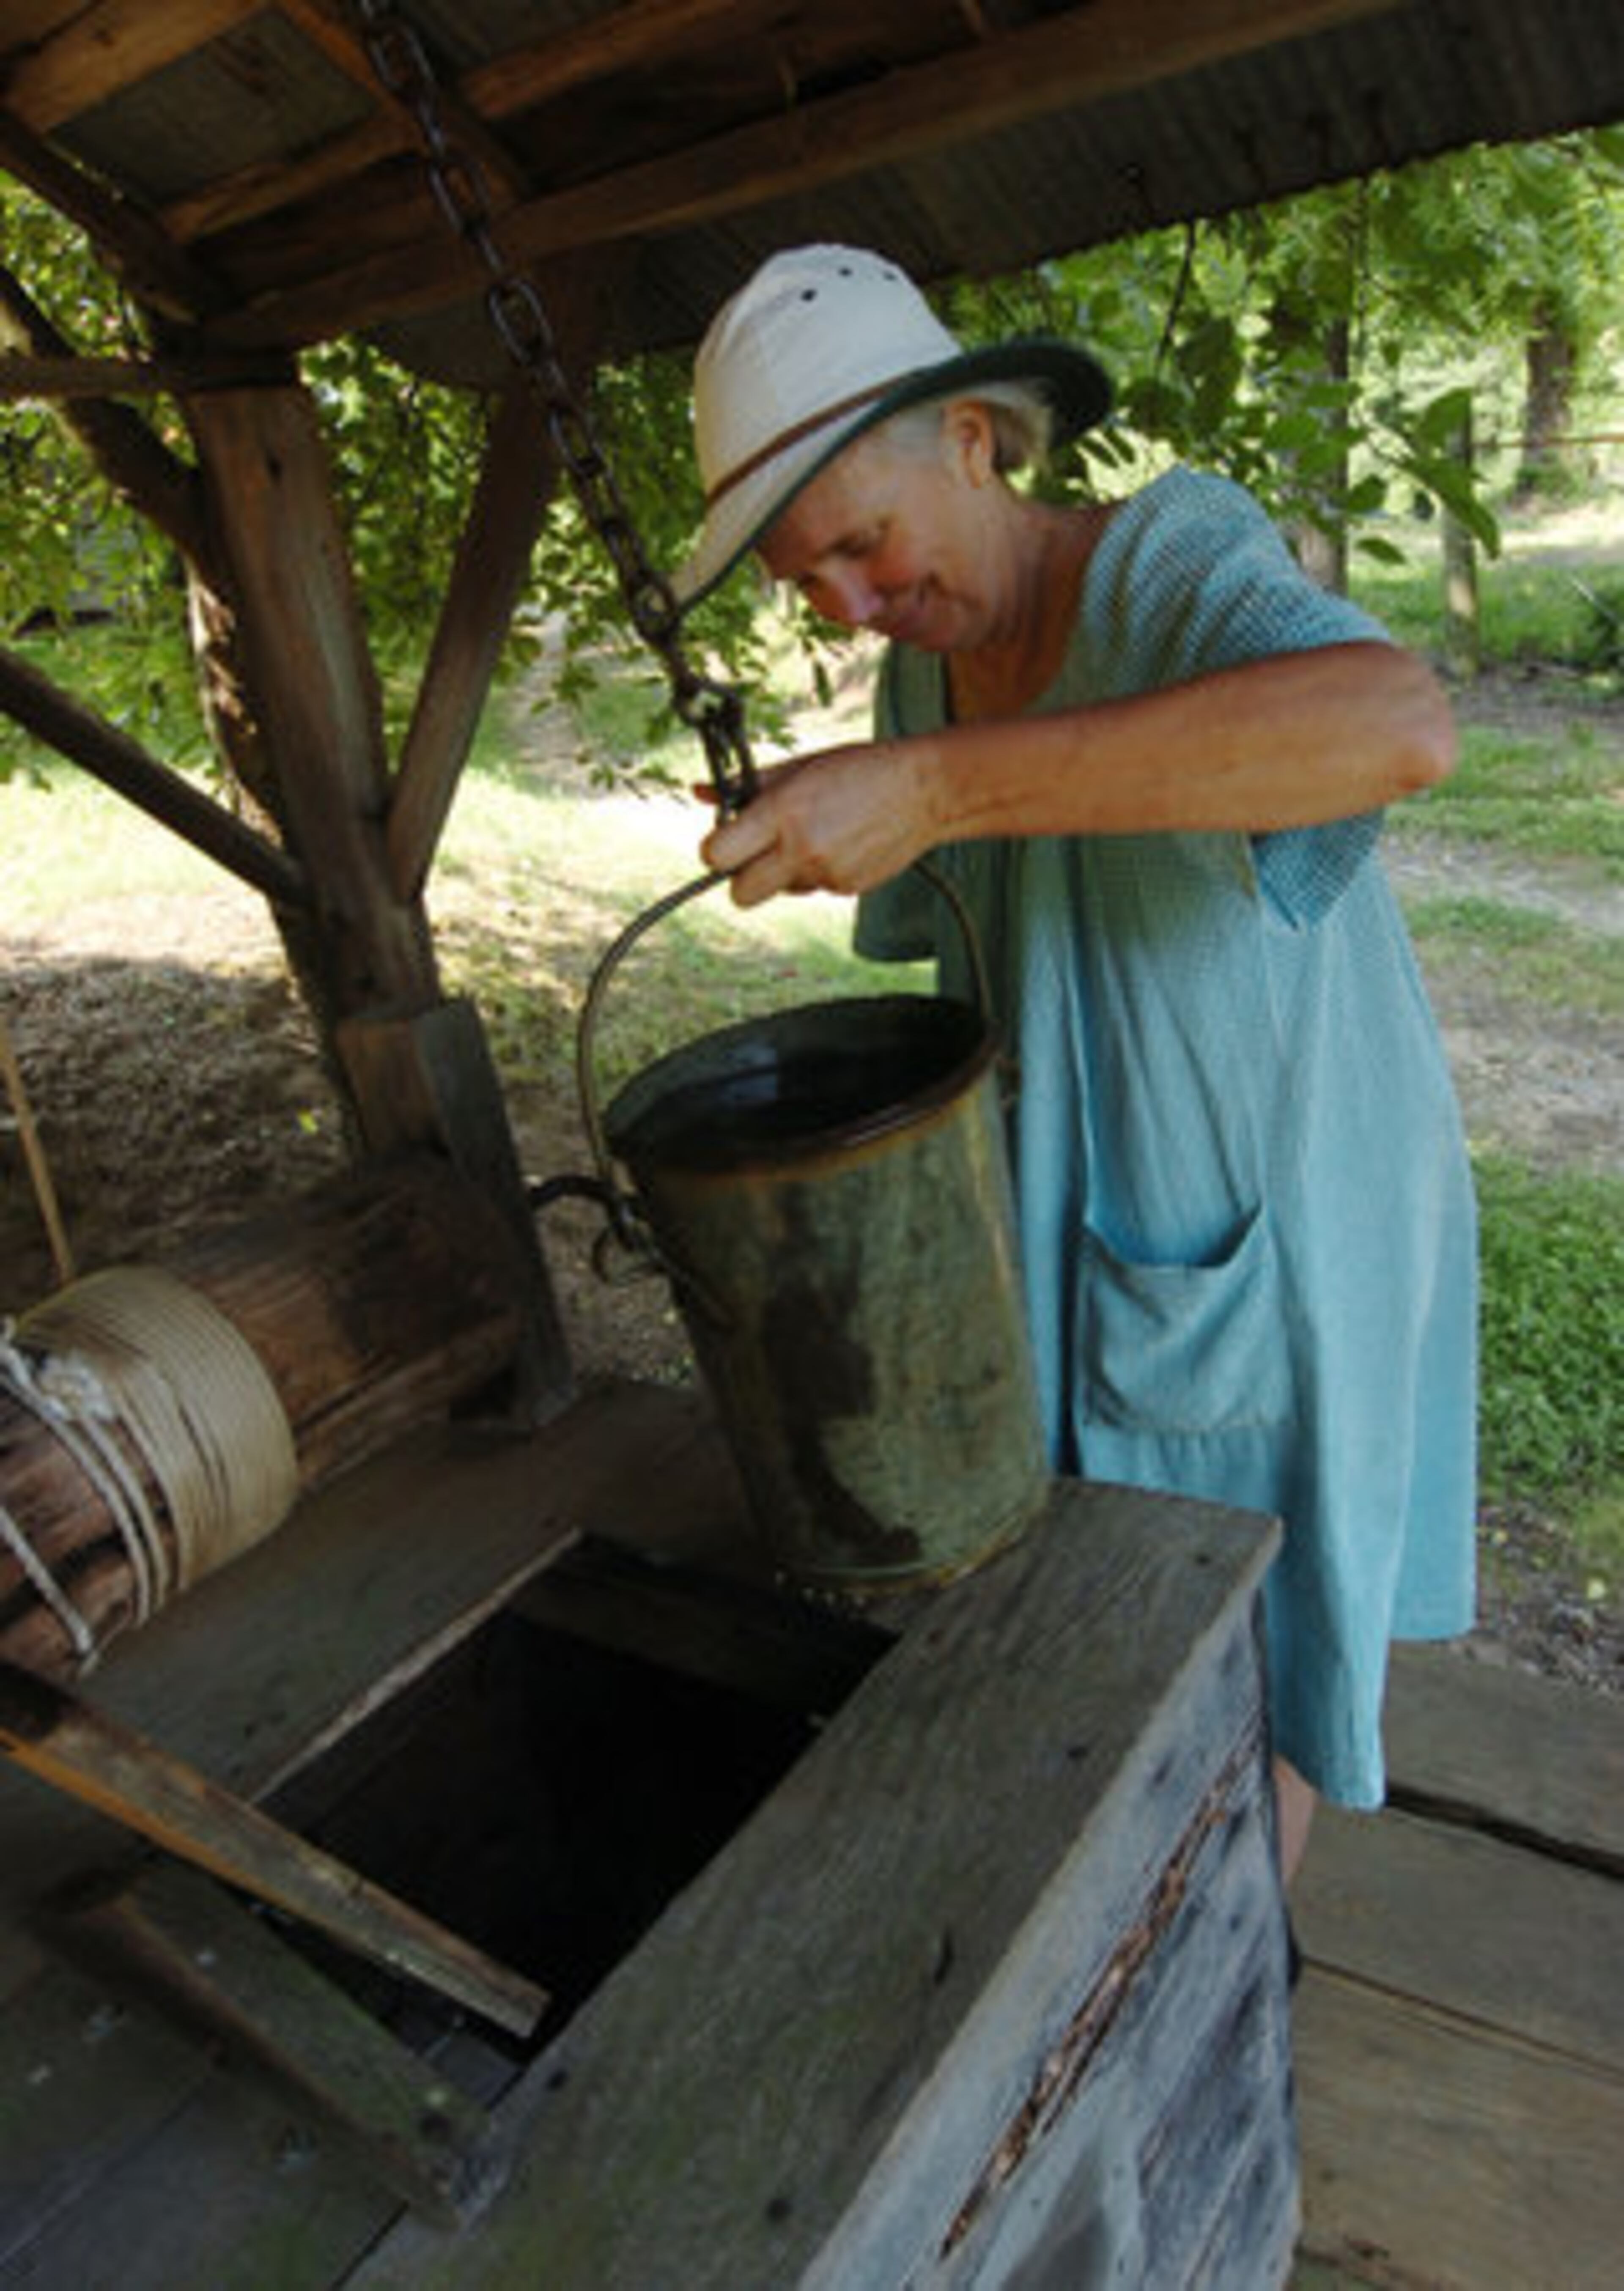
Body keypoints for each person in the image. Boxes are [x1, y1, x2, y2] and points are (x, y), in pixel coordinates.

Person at [675, 244, 1477, 1882]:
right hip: (1082, 1230)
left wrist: (939, 789)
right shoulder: (929, 664)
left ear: (973, 438)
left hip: (1276, 1227)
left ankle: (1236, 1964)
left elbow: (1397, 720)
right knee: (1099, 1647)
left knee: (1245, 1661)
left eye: (860, 543)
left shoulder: (1169, 568)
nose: (844, 602)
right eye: (798, 580)